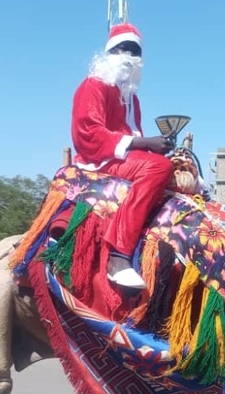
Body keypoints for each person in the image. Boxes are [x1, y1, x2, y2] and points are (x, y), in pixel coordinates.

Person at [71, 23, 174, 289]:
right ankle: (119, 255)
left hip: (121, 157)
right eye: (122, 49)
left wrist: (154, 145)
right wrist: (145, 143)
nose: (129, 56)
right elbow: (87, 133)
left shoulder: (131, 98)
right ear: (109, 53)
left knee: (176, 172)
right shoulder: (94, 85)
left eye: (135, 51)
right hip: (99, 159)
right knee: (158, 168)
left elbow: (133, 138)